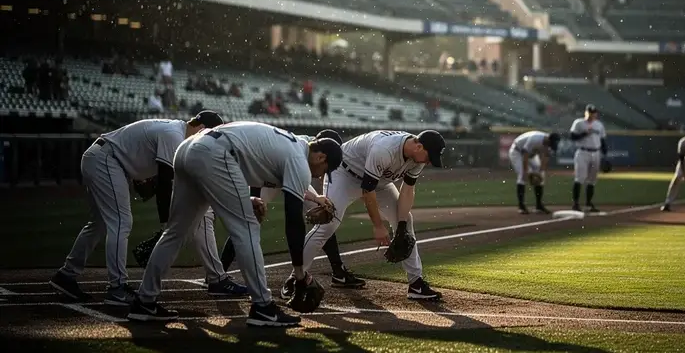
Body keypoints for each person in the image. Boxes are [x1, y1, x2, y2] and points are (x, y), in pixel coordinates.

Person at [127, 121, 343, 327]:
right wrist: (300, 275)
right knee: (247, 228)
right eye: (325, 169)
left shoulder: (291, 143)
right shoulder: (299, 159)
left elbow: (244, 161)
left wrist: (244, 200)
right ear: (321, 157)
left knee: (175, 232)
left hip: (188, 150)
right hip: (215, 155)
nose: (322, 174)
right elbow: (294, 221)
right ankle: (263, 307)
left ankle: (144, 301)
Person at [49, 111, 246, 305]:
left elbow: (157, 183)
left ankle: (66, 275)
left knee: (99, 224)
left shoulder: (176, 133)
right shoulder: (174, 136)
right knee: (120, 222)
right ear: (201, 129)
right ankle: (117, 288)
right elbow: (164, 185)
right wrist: (165, 225)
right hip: (106, 160)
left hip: (104, 159)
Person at [293, 130, 446, 301]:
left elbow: (408, 189)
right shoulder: (385, 149)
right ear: (418, 146)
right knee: (328, 224)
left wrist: (401, 225)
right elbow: (367, 191)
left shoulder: (418, 157)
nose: (429, 161)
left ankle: (416, 283)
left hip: (379, 181)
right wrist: (378, 226)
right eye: (429, 156)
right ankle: (295, 279)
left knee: (406, 221)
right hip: (345, 175)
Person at [220, 129, 366, 290]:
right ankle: (219, 274)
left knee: (324, 213)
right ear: (323, 152)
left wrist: (317, 199)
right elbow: (288, 180)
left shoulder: (311, 151)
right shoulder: (300, 151)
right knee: (249, 221)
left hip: (288, 174)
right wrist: (254, 196)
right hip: (265, 179)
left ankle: (338, 271)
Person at [508, 131, 560, 214]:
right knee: (522, 175)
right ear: (548, 139)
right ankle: (521, 206)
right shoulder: (535, 139)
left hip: (532, 155)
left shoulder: (549, 143)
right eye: (550, 144)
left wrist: (540, 172)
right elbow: (525, 154)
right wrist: (526, 171)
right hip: (517, 151)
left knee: (541, 177)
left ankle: (539, 206)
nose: (550, 146)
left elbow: (545, 157)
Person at [569, 104, 607, 212]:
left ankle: (588, 204)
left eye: (593, 113)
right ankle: (576, 204)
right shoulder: (578, 123)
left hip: (596, 153)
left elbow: (603, 141)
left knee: (592, 180)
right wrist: (584, 134)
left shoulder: (599, 125)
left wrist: (605, 155)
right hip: (582, 152)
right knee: (579, 178)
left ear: (596, 114)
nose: (591, 115)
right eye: (589, 112)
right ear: (586, 113)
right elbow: (572, 137)